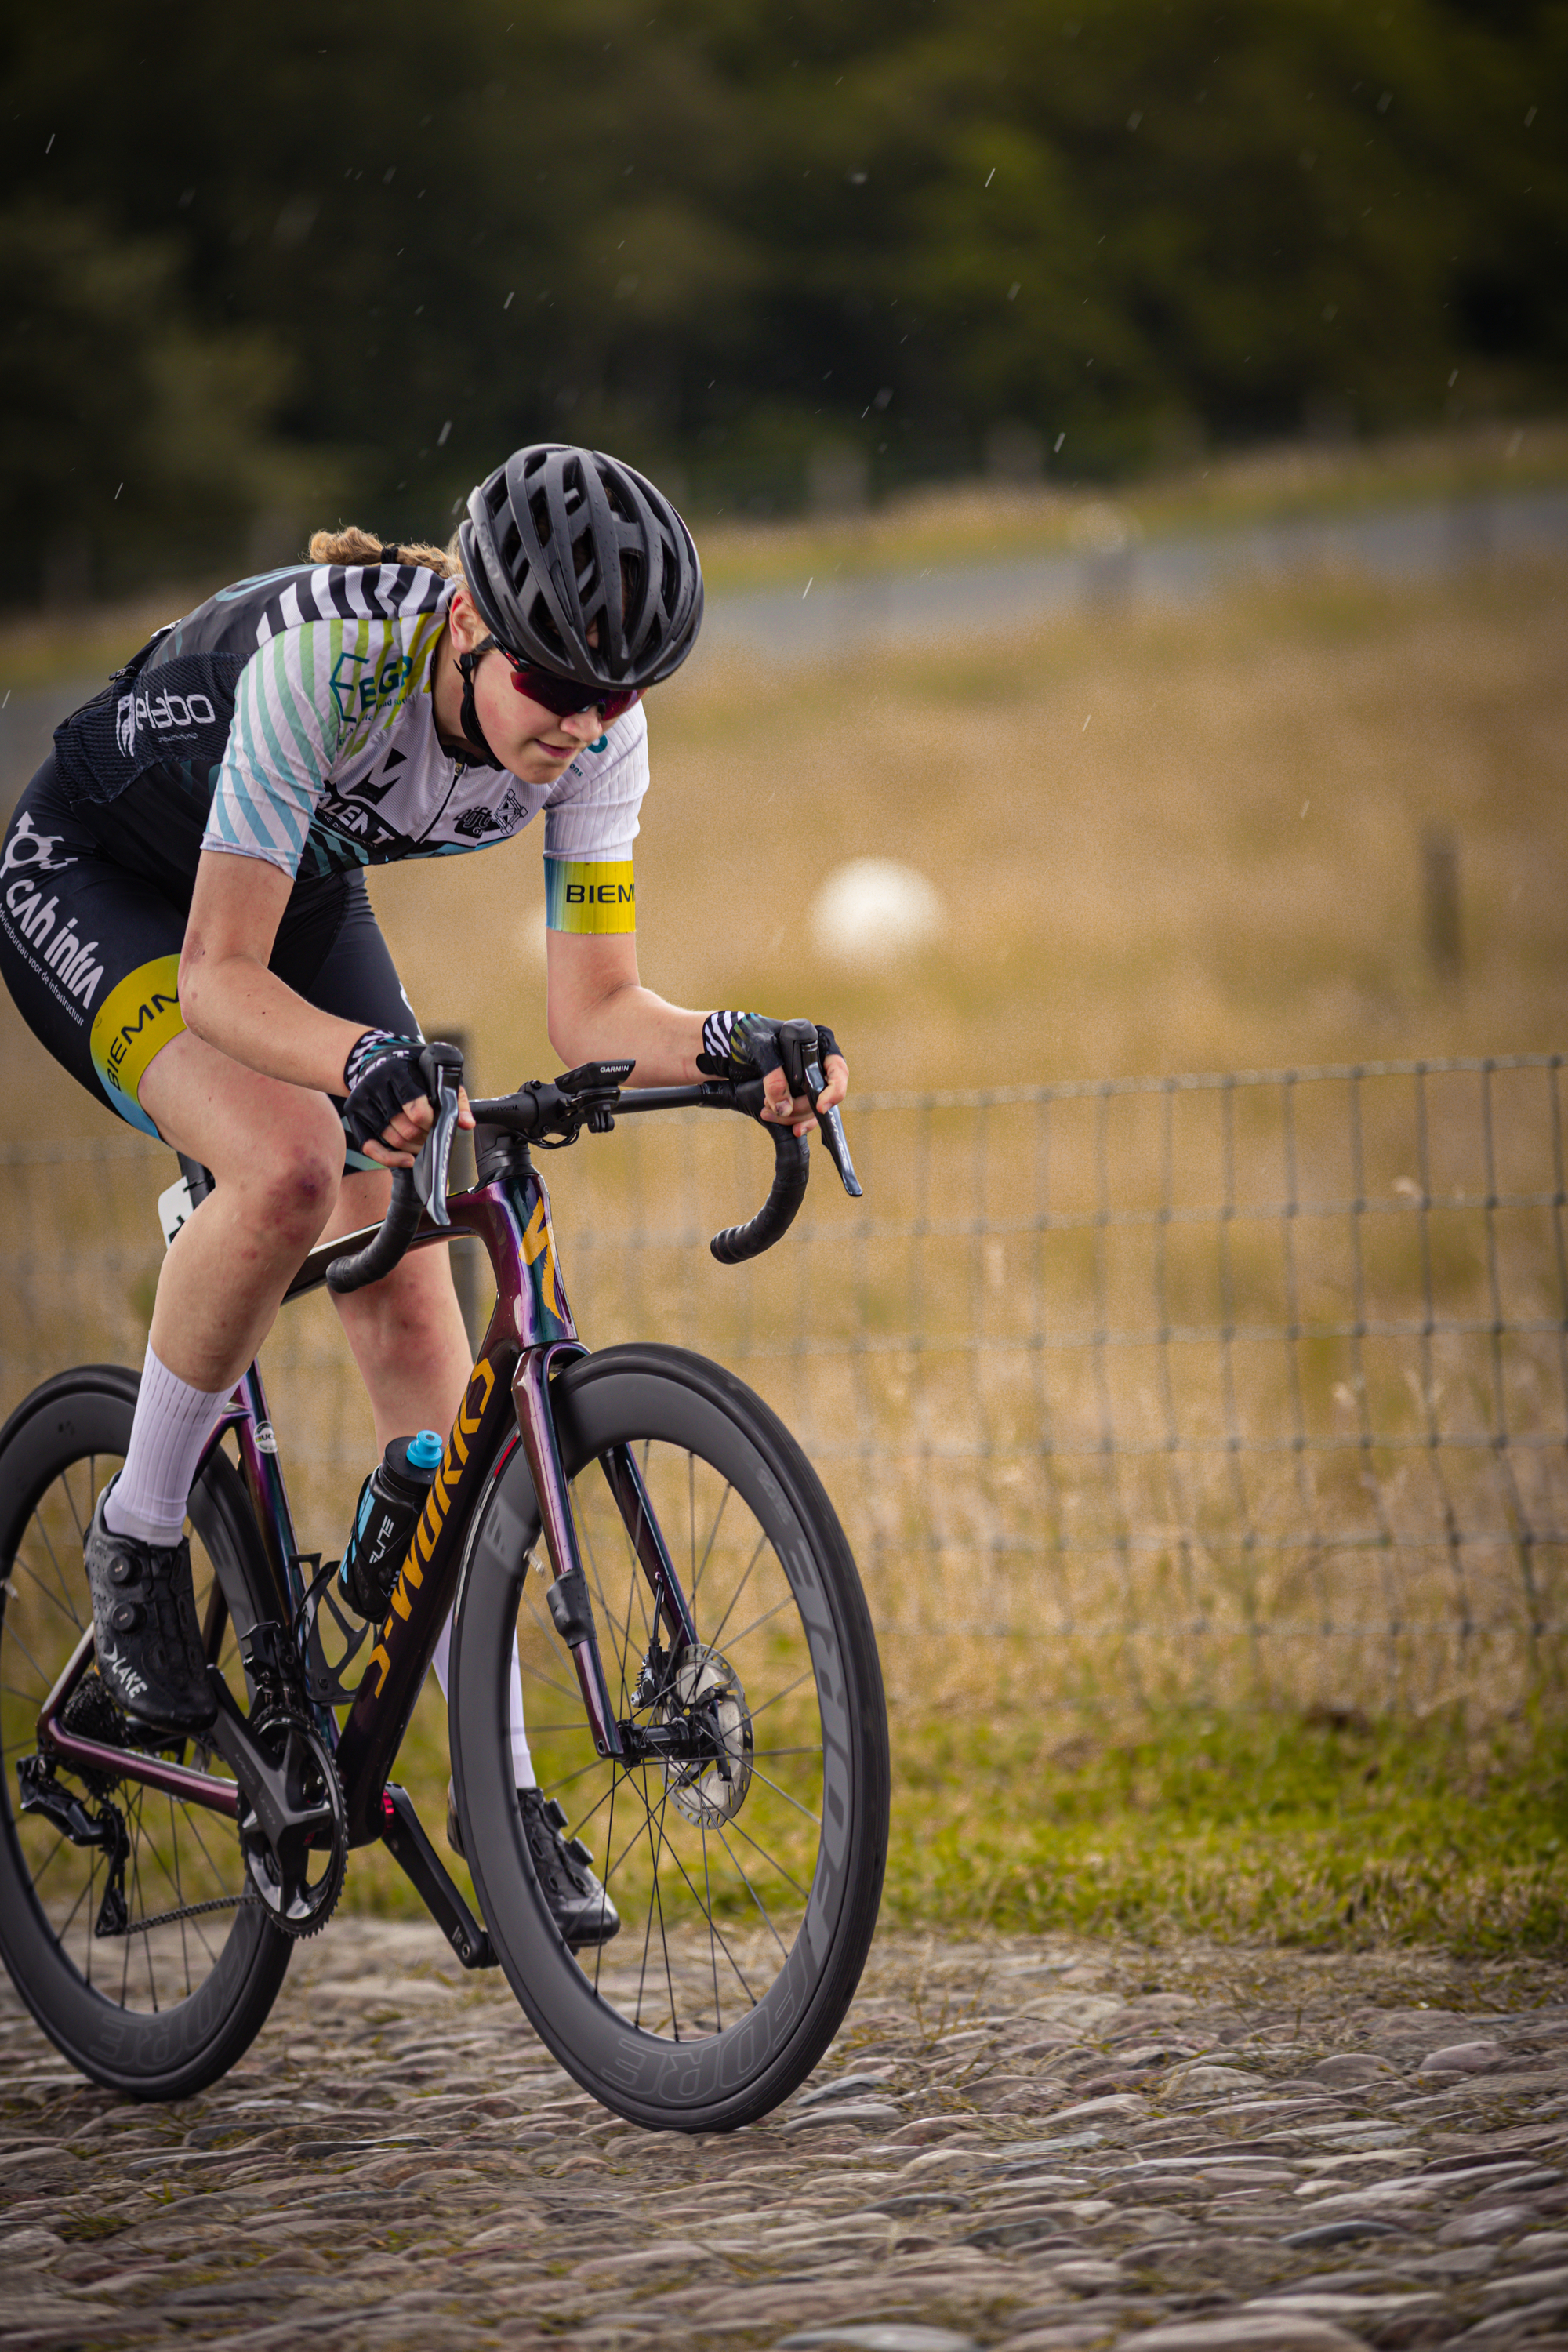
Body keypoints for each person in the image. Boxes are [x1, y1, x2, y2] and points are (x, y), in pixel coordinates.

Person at [1, 442, 848, 1948]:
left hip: (287, 888)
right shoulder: (324, 670)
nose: (584, 729)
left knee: (416, 1280)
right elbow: (213, 980)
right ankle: (136, 1535)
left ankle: (497, 1787)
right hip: (102, 884)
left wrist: (738, 1051)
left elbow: (597, 1015)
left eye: (621, 697)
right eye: (558, 692)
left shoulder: (597, 734)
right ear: (470, 627)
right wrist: (364, 1065)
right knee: (291, 1164)